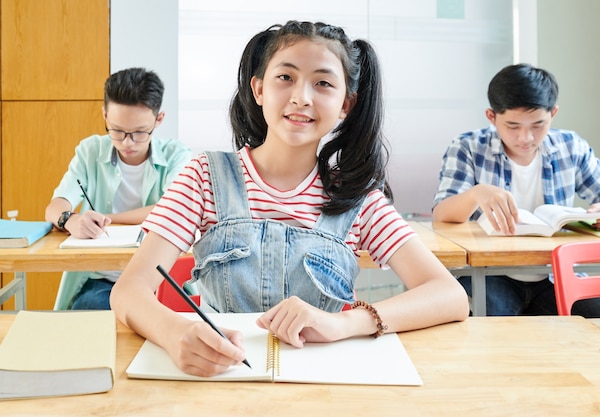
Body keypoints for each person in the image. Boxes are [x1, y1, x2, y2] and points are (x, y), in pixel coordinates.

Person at [111, 20, 469, 377]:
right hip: (222, 378)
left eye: (323, 83)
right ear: (259, 89)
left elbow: (449, 296)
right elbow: (128, 292)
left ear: (346, 104)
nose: (302, 97)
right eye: (286, 77)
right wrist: (174, 333)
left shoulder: (358, 199)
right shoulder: (204, 176)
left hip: (323, 383)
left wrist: (343, 324)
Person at [432, 63, 600, 317]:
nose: (526, 137)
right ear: (491, 116)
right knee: (487, 334)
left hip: (555, 273)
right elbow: (442, 214)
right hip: (492, 274)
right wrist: (476, 193)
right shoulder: (468, 146)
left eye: (537, 125)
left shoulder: (570, 146)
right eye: (513, 126)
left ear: (553, 113)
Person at [45, 67, 193, 310]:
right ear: (105, 116)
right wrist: (69, 219)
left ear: (159, 119)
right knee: (86, 323)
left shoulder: (177, 155)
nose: (127, 142)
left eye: (139, 132)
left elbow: (169, 210)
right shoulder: (90, 151)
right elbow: (55, 206)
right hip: (102, 280)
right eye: (117, 130)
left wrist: (107, 219)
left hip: (159, 278)